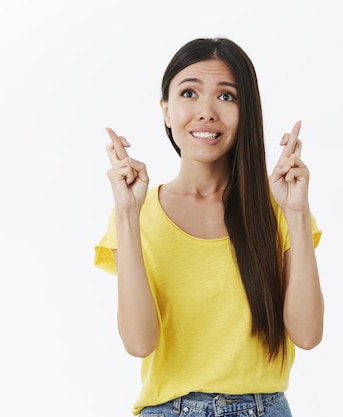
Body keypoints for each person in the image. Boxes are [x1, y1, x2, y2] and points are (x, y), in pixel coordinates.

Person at [94, 37, 323, 417]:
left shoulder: (278, 207)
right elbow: (138, 342)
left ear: (246, 112)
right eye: (189, 93)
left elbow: (308, 335)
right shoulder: (137, 214)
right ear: (166, 111)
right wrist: (126, 217)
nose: (206, 111)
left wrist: (297, 214)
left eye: (227, 97)